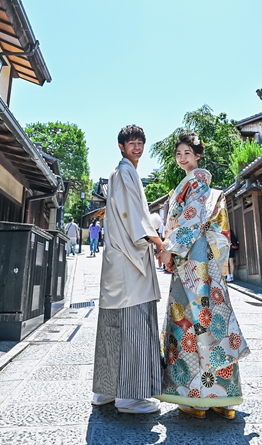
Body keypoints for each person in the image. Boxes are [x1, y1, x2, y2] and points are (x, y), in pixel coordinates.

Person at [157, 133, 249, 419]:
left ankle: (195, 398)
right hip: (206, 262)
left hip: (191, 260)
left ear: (198, 156)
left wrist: (170, 249)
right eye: (179, 154)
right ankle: (223, 397)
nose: (182, 158)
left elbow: (190, 219)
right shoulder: (199, 187)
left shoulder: (195, 186)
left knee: (188, 322)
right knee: (213, 322)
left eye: (187, 153)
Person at [91, 125, 170, 414]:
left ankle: (105, 390)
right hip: (129, 261)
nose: (136, 147)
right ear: (121, 147)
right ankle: (129, 396)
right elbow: (134, 217)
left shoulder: (118, 173)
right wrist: (157, 240)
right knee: (133, 324)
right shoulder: (125, 173)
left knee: (112, 325)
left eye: (140, 143)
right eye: (131, 143)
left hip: (117, 260)